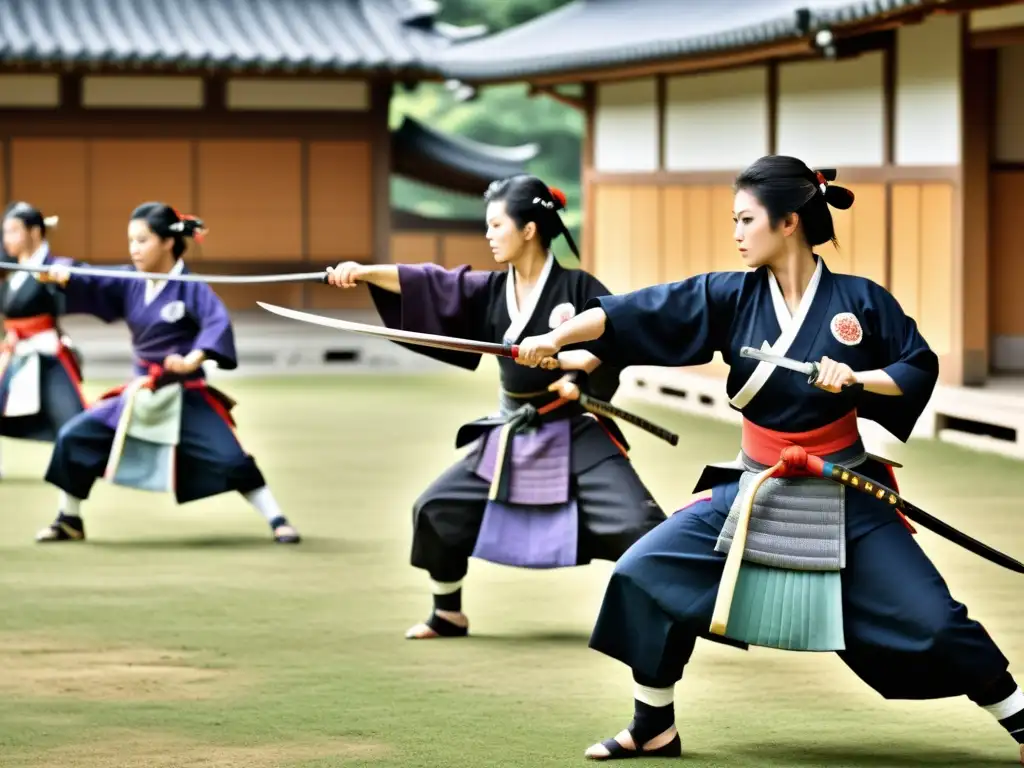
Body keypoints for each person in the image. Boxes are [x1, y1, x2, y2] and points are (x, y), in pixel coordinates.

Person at [515, 156, 1024, 763]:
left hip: (845, 488)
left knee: (936, 621)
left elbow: (917, 367)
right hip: (755, 485)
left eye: (744, 219)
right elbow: (635, 312)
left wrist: (859, 379)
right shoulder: (729, 295)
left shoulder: (859, 301)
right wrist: (555, 339)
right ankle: (654, 725)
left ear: (787, 223)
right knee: (641, 573)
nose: (734, 232)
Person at [325, 174, 667, 640]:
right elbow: (427, 283)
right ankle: (448, 612)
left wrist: (572, 372)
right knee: (436, 508)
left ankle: (659, 617)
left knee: (640, 524)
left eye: (496, 225)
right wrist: (364, 273)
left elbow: (606, 340)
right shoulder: (490, 291)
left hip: (574, 426)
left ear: (528, 230)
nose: (488, 235)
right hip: (513, 428)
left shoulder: (579, 287)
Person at [34, 202, 300, 545]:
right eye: (130, 241)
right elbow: (92, 278)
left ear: (167, 242)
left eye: (142, 240)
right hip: (142, 390)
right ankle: (68, 519)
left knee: (231, 458)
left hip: (186, 393)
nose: (133, 249)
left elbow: (216, 321)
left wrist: (193, 358)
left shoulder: (191, 287)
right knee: (75, 436)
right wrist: (64, 273)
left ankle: (276, 518)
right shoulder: (129, 280)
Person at [0, 202, 87, 480]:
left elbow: (68, 284)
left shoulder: (51, 268)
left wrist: (61, 277)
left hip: (45, 352)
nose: (7, 239)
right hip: (14, 351)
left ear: (35, 232)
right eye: (5, 233)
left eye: (14, 231)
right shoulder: (12, 271)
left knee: (72, 421)